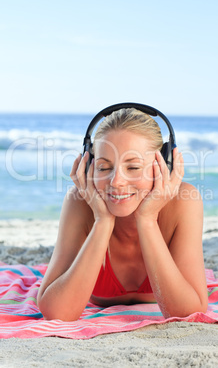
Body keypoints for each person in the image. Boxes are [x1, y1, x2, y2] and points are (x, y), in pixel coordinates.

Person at [37, 107, 208, 321]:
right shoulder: (79, 202)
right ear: (89, 166)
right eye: (103, 167)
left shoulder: (184, 201)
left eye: (134, 167)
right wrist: (102, 221)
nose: (116, 181)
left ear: (164, 165)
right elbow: (58, 313)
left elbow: (189, 313)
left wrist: (146, 220)